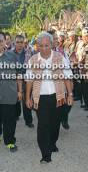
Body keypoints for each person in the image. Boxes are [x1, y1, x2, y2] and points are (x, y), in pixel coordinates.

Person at [25, 32, 73, 164]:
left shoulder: (60, 58)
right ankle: (45, 154)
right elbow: (29, 80)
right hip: (40, 98)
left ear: (52, 45)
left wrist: (70, 94)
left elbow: (67, 76)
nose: (44, 48)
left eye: (47, 45)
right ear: (37, 46)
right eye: (41, 45)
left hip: (58, 97)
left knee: (55, 124)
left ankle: (52, 142)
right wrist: (27, 98)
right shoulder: (33, 60)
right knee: (43, 125)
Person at [13, 35, 34, 128]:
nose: (19, 44)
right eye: (17, 42)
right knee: (15, 99)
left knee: (27, 99)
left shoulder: (29, 53)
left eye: (21, 42)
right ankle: (15, 115)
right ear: (14, 43)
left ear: (24, 43)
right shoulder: (9, 53)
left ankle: (28, 120)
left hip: (26, 79)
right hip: (13, 79)